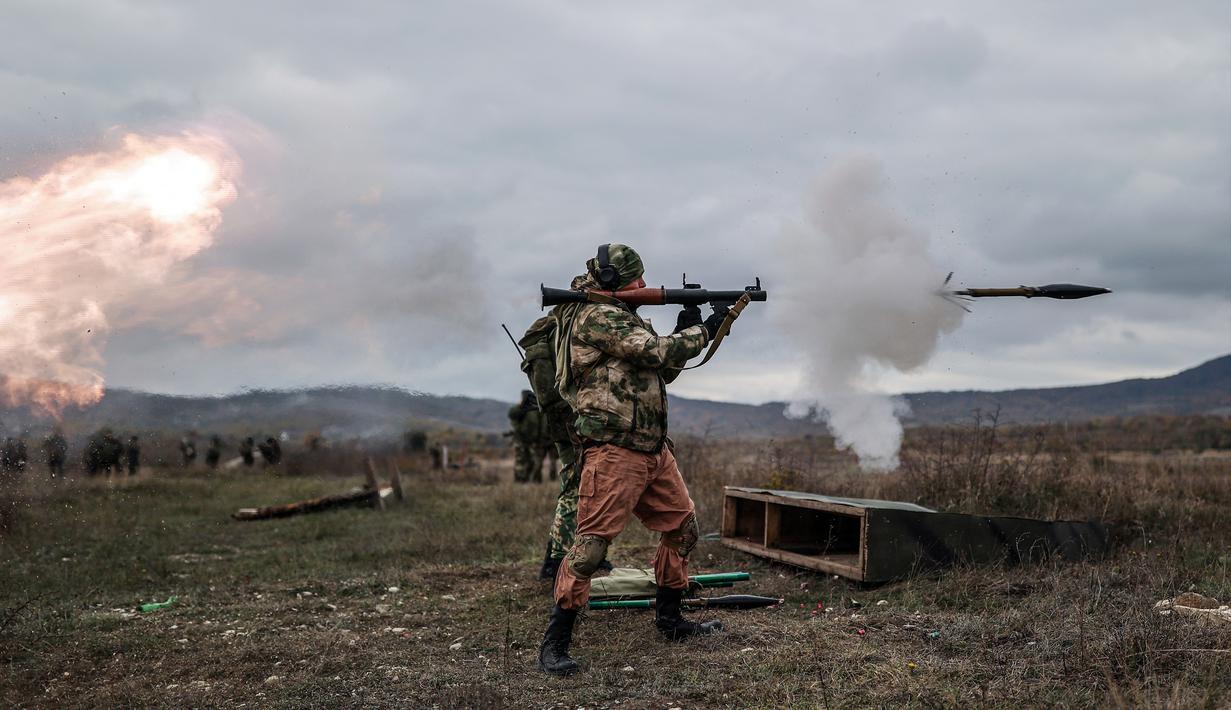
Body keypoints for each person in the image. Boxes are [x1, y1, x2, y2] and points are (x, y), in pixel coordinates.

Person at [537, 244, 731, 676]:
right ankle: (555, 642)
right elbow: (656, 351)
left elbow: (662, 370)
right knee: (590, 550)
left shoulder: (625, 317)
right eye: (635, 278)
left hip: (653, 449)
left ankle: (670, 620)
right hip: (614, 450)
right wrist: (707, 328)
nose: (643, 284)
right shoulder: (596, 316)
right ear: (611, 280)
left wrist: (687, 325)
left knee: (682, 529)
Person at [507, 391, 549, 483]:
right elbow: (511, 414)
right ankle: (521, 481)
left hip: (534, 441)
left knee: (533, 462)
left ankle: (531, 481)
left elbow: (543, 425)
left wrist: (543, 438)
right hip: (521, 440)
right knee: (521, 461)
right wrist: (521, 405)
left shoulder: (536, 409)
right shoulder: (520, 409)